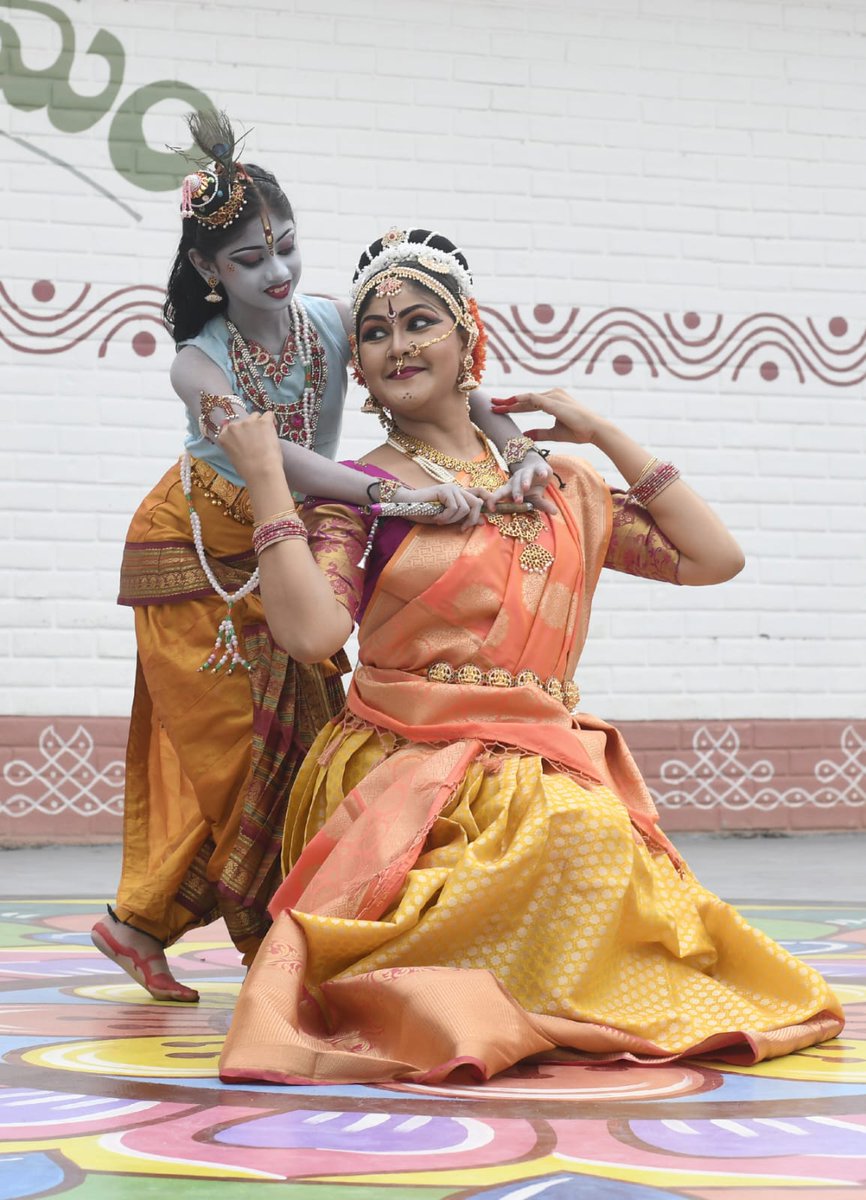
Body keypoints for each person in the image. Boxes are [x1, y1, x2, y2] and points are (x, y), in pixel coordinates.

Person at [214, 228, 843, 1084]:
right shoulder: (369, 490)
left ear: (469, 332)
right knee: (568, 835)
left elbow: (712, 558)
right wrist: (268, 484)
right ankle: (476, 1003)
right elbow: (316, 635)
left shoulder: (555, 484)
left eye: (420, 321)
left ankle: (547, 1002)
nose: (398, 344)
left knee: (586, 838)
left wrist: (598, 429)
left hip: (540, 753)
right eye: (375, 331)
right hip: (409, 762)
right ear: (357, 366)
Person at [90, 116, 546, 1003]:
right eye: (251, 261)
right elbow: (273, 457)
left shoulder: (336, 323)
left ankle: (142, 925)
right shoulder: (196, 364)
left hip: (289, 545)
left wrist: (515, 444)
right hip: (196, 558)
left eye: (287, 248)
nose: (278, 272)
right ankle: (256, 937)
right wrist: (387, 494)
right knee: (235, 755)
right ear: (208, 272)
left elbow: (461, 386)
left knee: (295, 745)